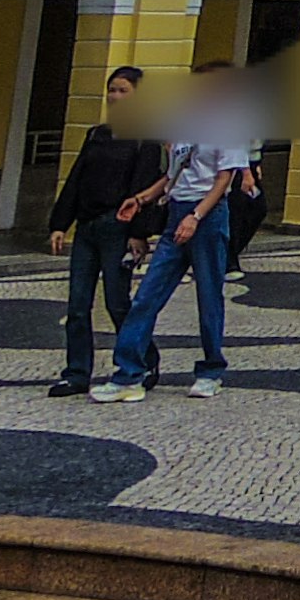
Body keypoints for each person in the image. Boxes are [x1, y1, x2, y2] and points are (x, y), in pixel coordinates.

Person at [93, 104, 255, 402]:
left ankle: (211, 370)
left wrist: (195, 216)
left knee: (209, 297)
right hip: (176, 213)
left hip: (207, 215)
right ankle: (128, 374)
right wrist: (141, 199)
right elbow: (172, 176)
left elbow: (224, 180)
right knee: (146, 296)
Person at [46, 63, 165, 394]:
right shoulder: (97, 134)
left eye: (123, 90)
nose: (115, 96)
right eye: (111, 90)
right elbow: (77, 179)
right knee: (77, 303)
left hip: (119, 227)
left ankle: (142, 357)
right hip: (87, 226)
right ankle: (77, 371)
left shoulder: (145, 139)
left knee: (117, 301)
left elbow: (145, 187)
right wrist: (60, 224)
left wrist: (139, 234)